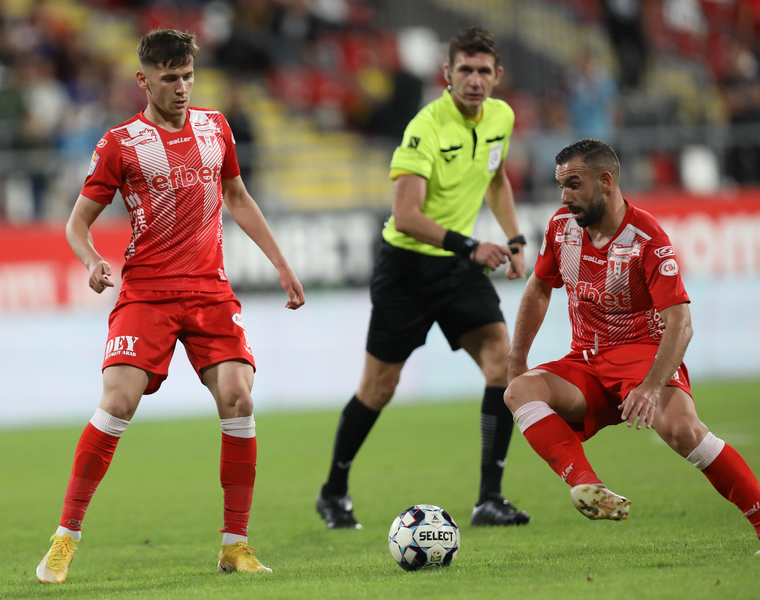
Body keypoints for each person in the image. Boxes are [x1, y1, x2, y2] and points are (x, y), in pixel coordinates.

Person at [35, 29, 305, 583]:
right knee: (117, 402)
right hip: (147, 292)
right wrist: (91, 260)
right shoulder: (119, 143)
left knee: (238, 397)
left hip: (209, 290)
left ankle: (236, 546)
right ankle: (65, 537)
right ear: (144, 80)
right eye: (169, 78)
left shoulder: (216, 127)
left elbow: (237, 197)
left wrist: (279, 262)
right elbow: (76, 224)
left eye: (187, 76)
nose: (181, 88)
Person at [315, 25, 530, 530]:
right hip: (408, 268)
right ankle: (333, 490)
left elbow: (495, 176)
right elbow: (406, 216)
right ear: (447, 74)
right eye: (465, 71)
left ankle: (489, 499)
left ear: (497, 76)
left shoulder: (501, 117)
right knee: (378, 388)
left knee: (503, 363)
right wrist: (473, 245)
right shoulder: (425, 129)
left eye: (483, 71)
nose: (474, 80)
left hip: (458, 266)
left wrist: (515, 239)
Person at [504, 139, 760, 552]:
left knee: (682, 430)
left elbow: (681, 323)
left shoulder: (647, 240)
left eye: (573, 184)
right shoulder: (560, 227)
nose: (564, 196)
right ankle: (588, 487)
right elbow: (538, 288)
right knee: (520, 390)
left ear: (605, 181)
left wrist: (651, 385)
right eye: (561, 186)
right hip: (585, 361)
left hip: (643, 358)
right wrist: (517, 358)